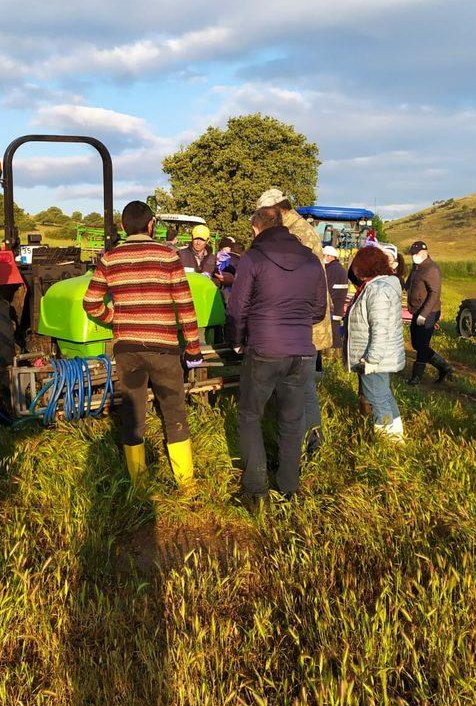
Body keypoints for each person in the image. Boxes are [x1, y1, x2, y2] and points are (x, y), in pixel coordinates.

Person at [83, 200, 203, 492]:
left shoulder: (109, 259)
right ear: (151, 225)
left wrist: (116, 320)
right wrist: (193, 348)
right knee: (174, 411)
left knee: (133, 412)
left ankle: (138, 484)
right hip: (164, 348)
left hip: (128, 350)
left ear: (123, 227)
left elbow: (91, 302)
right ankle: (186, 483)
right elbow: (185, 305)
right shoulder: (168, 256)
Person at [226, 205, 327, 508]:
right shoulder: (311, 260)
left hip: (264, 349)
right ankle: (288, 489)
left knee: (250, 416)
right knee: (292, 420)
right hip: (302, 352)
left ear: (256, 229)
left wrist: (236, 341)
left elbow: (237, 307)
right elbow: (319, 310)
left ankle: (255, 491)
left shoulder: (253, 258)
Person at [257, 188, 333, 440]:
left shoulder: (295, 233)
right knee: (298, 384)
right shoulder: (297, 228)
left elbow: (293, 281)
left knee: (302, 386)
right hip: (303, 319)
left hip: (301, 322)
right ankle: (302, 439)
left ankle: (310, 441)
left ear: (278, 209)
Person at [345, 246, 405, 441]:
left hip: (373, 357)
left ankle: (386, 443)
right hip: (379, 355)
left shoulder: (377, 290)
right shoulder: (383, 285)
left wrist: (371, 359)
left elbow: (380, 328)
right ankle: (396, 438)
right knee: (385, 396)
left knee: (377, 400)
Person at [405, 240, 451, 385]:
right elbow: (408, 285)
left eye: (416, 254)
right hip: (417, 311)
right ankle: (444, 367)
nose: (414, 256)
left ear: (425, 253)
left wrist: (424, 315)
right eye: (412, 254)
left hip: (429, 312)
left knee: (422, 345)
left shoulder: (431, 269)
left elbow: (434, 293)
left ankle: (416, 378)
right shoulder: (416, 267)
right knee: (416, 344)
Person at [322, 245, 349, 355]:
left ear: (330, 256)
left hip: (332, 306)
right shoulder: (338, 268)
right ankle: (334, 357)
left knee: (332, 333)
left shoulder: (332, 270)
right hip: (337, 306)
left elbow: (325, 289)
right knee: (335, 331)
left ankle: (332, 357)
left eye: (324, 255)